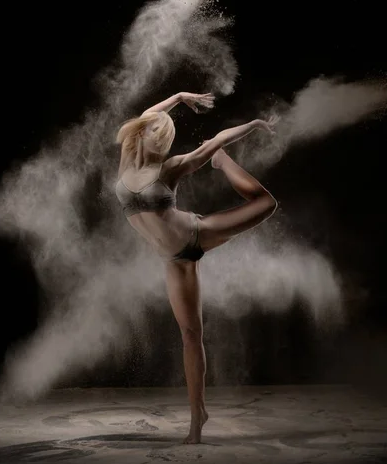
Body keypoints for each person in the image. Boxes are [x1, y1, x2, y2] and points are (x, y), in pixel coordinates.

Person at [115, 91, 278, 444]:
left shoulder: (169, 168)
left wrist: (252, 124)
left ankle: (224, 164)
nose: (161, 141)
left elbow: (217, 138)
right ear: (142, 133)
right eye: (158, 135)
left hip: (196, 233)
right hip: (174, 260)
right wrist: (178, 96)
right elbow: (148, 112)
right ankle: (198, 415)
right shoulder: (127, 156)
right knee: (191, 336)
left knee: (266, 203)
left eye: (165, 137)